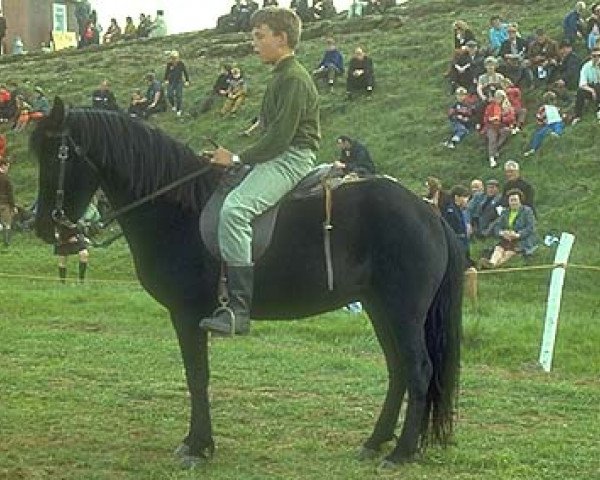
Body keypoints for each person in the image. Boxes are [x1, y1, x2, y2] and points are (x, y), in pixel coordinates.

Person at [200, 7, 320, 336]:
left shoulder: (294, 78)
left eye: (259, 36)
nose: (254, 43)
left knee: (236, 210)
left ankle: (238, 310)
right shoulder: (281, 76)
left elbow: (281, 139)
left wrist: (237, 158)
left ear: (281, 39)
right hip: (279, 152)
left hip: (292, 156)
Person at [479, 188, 536, 269]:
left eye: (515, 200)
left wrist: (517, 235)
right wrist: (502, 233)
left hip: (520, 240)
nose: (513, 203)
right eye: (511, 200)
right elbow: (497, 226)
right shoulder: (505, 212)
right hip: (506, 239)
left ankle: (492, 266)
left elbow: (530, 227)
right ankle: (492, 263)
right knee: (498, 249)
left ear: (520, 201)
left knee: (508, 253)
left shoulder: (527, 211)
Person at [524, 91, 565, 156]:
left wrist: (563, 117)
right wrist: (542, 122)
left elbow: (561, 115)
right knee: (538, 134)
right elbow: (539, 117)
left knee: (559, 126)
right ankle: (533, 148)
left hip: (557, 121)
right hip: (548, 124)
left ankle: (557, 134)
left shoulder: (556, 108)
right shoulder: (543, 108)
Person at [481, 89, 514, 168]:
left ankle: (496, 149)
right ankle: (491, 158)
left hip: (502, 126)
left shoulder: (508, 107)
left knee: (506, 131)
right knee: (492, 137)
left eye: (500, 97)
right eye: (497, 97)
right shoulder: (490, 107)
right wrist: (490, 119)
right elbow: (485, 118)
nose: (498, 99)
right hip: (491, 126)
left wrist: (502, 118)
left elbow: (511, 118)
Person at [441, 185, 472, 268]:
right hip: (456, 244)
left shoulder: (460, 210)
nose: (467, 200)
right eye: (464, 197)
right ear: (457, 197)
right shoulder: (451, 211)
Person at [571, 46, 600, 124]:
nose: (597, 58)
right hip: (592, 88)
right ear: (591, 57)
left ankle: (598, 109)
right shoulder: (586, 66)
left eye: (599, 56)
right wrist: (592, 90)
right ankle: (577, 115)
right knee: (580, 92)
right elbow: (582, 84)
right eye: (594, 56)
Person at [164, 51, 190, 117]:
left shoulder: (181, 64)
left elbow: (185, 72)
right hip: (171, 82)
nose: (174, 60)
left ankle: (179, 109)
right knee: (169, 95)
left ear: (178, 58)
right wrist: (166, 80)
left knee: (179, 96)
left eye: (175, 58)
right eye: (172, 58)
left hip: (178, 81)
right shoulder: (169, 64)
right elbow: (166, 73)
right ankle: (173, 105)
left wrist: (187, 81)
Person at [0, 158, 16, 247]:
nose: (8, 169)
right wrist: (13, 206)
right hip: (4, 203)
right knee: (7, 223)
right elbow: (10, 194)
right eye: (7, 166)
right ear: (3, 166)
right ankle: (7, 242)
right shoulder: (6, 178)